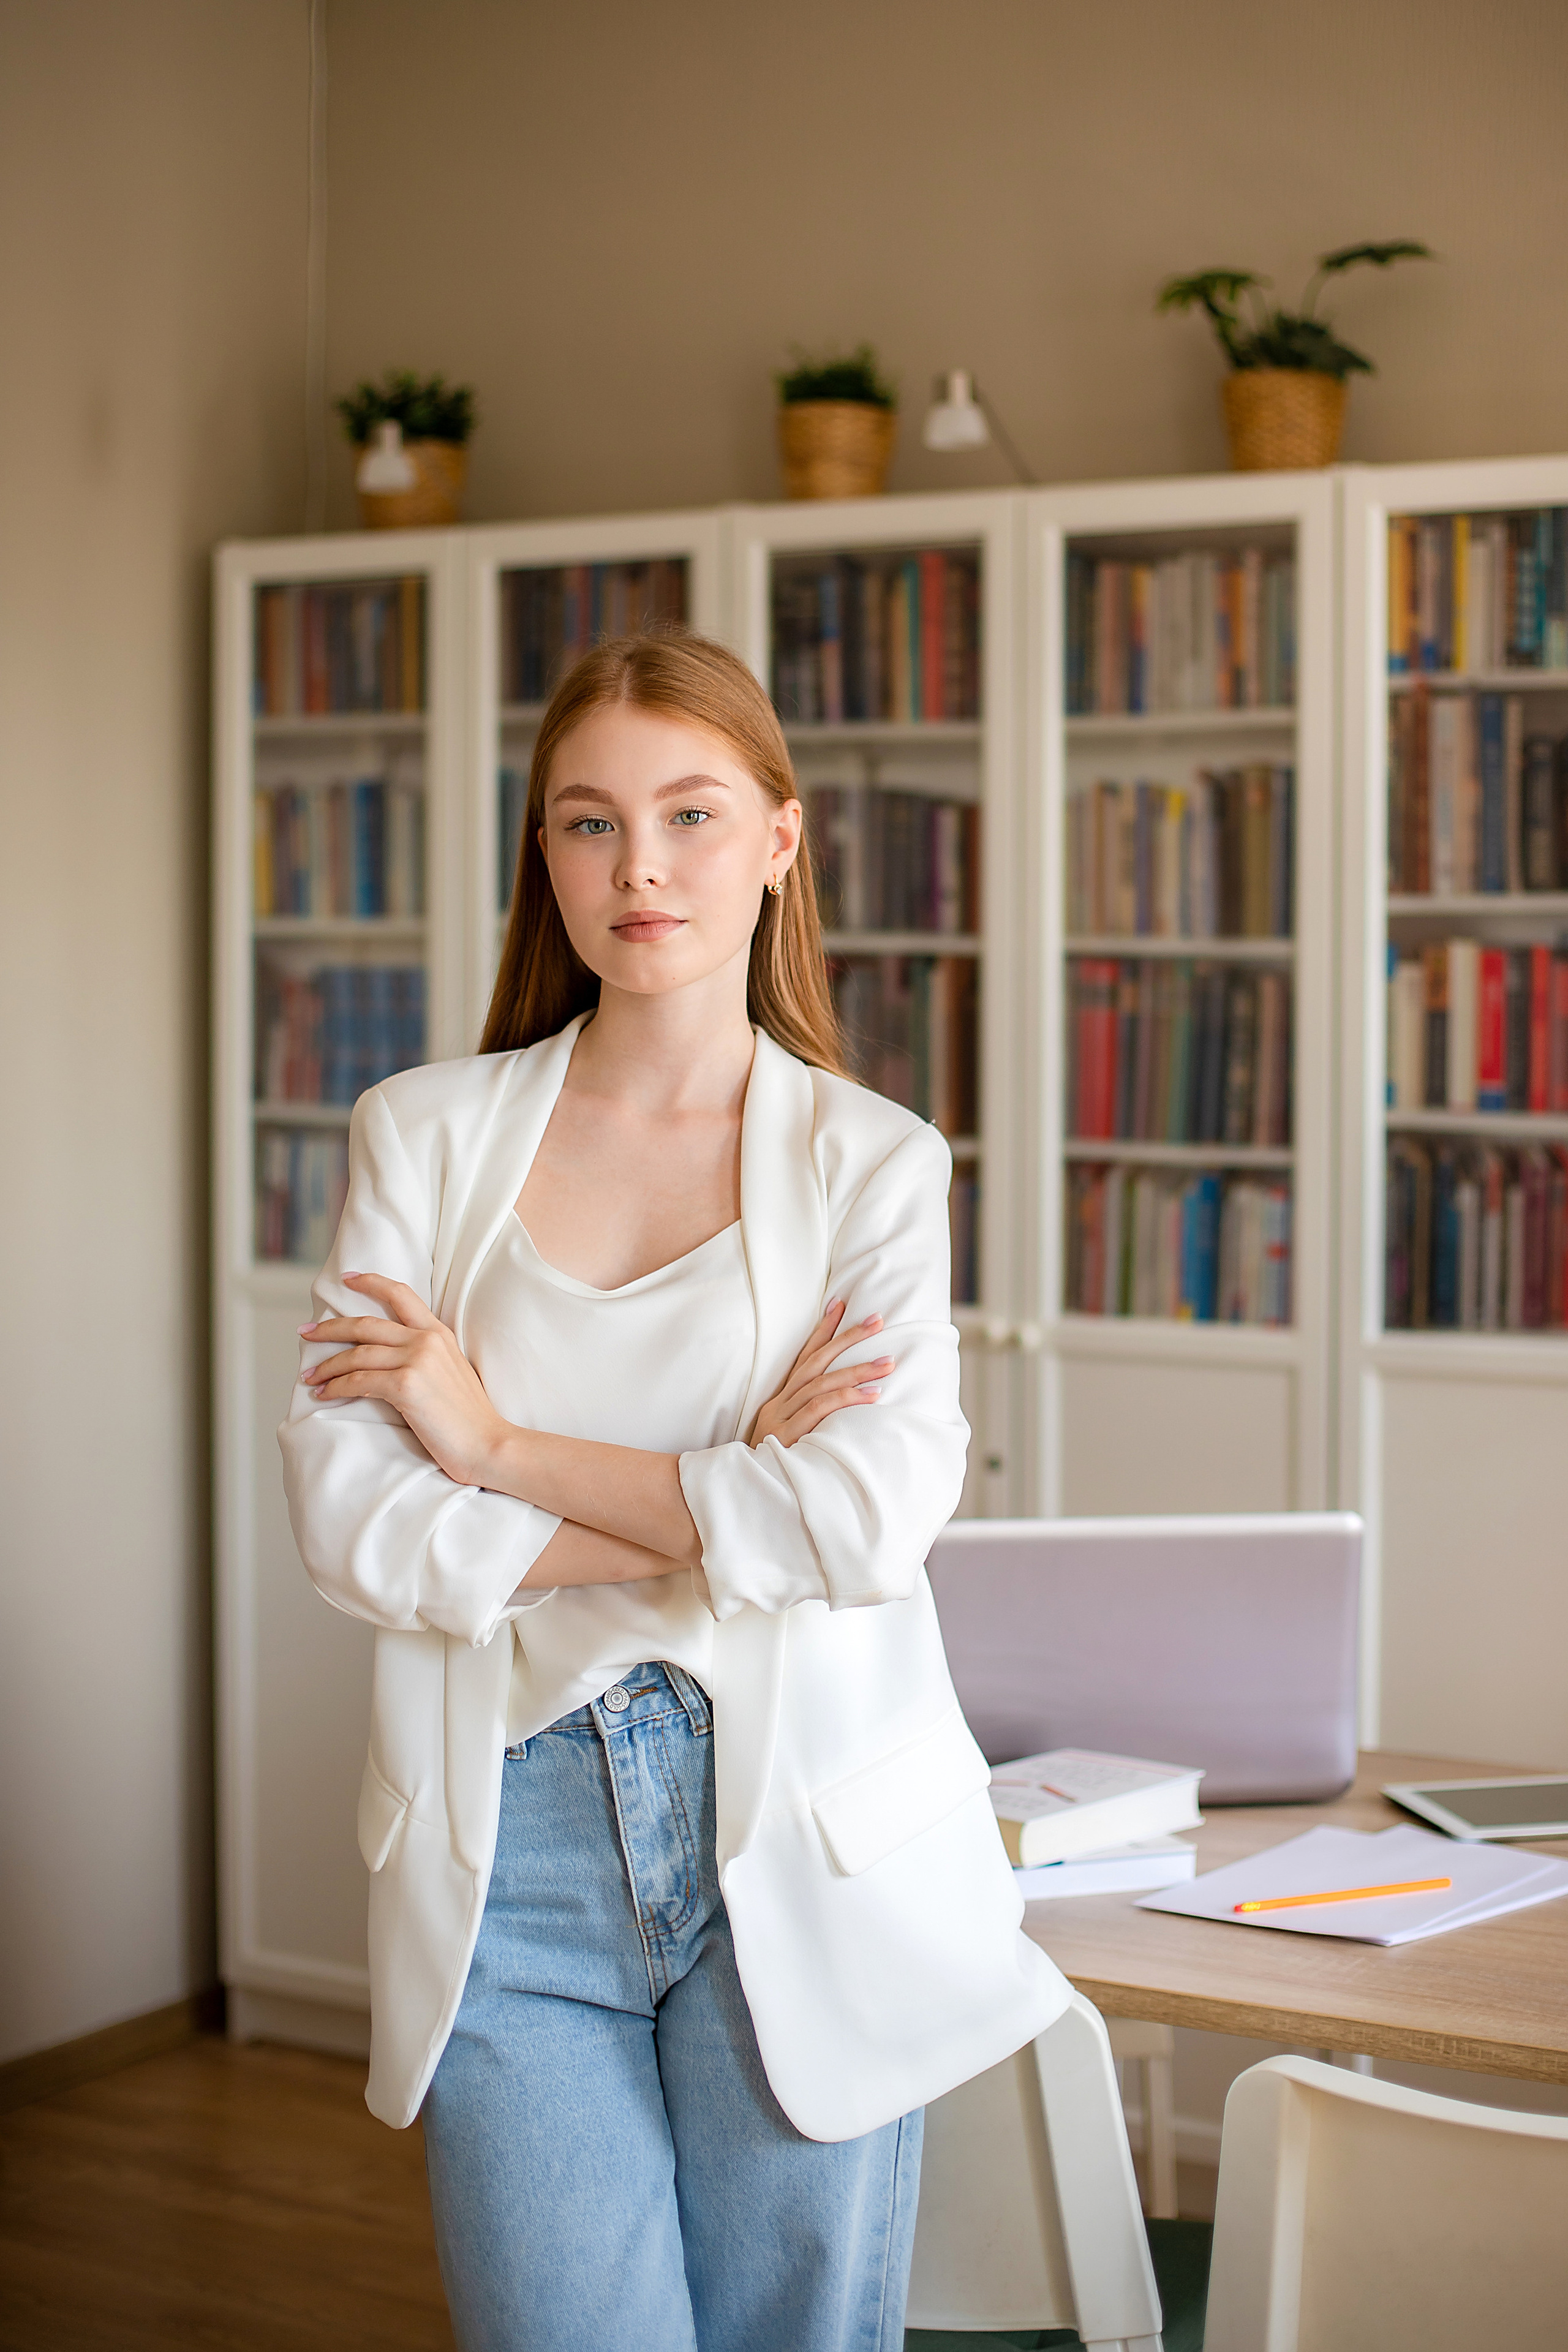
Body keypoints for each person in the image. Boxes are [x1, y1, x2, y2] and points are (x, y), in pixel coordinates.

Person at [278, 632, 1067, 2352]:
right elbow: (349, 1518)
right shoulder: (418, 1136)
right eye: (587, 822)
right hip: (513, 1850)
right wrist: (721, 1504)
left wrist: (489, 1455)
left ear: (780, 840)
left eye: (691, 814)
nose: (639, 866)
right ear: (542, 852)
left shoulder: (872, 1164)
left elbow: (863, 1520)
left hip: (794, 1837)